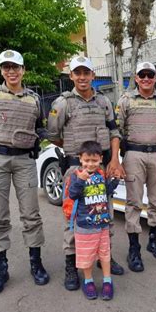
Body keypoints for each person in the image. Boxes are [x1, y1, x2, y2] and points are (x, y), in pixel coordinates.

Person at [0, 49, 49, 296]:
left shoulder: (34, 100)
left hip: (25, 161)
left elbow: (39, 130)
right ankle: (0, 269)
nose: (11, 72)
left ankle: (35, 263)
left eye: (16, 67)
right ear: (1, 70)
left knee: (31, 215)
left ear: (23, 70)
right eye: (7, 67)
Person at [47, 56, 125, 291]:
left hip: (101, 167)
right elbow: (53, 135)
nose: (82, 77)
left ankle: (104, 258)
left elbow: (114, 131)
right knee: (74, 219)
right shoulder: (62, 104)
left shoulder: (104, 102)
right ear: (71, 76)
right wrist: (76, 154)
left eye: (86, 72)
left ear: (93, 75)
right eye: (77, 73)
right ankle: (72, 266)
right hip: (75, 169)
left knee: (104, 214)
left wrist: (113, 160)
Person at [116, 62, 156, 272]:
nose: (146, 78)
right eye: (142, 75)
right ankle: (134, 249)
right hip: (134, 154)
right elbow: (116, 130)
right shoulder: (126, 100)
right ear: (136, 78)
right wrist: (116, 159)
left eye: (150, 75)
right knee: (133, 202)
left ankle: (153, 240)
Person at [66, 141, 120, 300]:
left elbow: (107, 191)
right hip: (85, 226)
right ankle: (88, 280)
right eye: (87, 160)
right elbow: (73, 194)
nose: (90, 164)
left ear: (101, 159)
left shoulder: (100, 175)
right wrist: (81, 180)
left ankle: (107, 281)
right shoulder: (76, 176)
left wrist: (114, 181)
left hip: (102, 225)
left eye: (94, 161)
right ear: (80, 159)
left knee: (105, 254)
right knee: (86, 256)